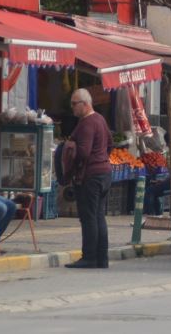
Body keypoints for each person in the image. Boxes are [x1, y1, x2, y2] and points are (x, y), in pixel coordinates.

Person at [66, 88, 112, 269]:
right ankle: (102, 258)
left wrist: (73, 164)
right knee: (99, 216)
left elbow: (83, 152)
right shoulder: (100, 119)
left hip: (91, 177)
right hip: (104, 173)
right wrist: (101, 158)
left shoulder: (86, 123)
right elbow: (110, 143)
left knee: (89, 217)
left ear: (85, 104)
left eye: (74, 104)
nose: (72, 108)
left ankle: (90, 257)